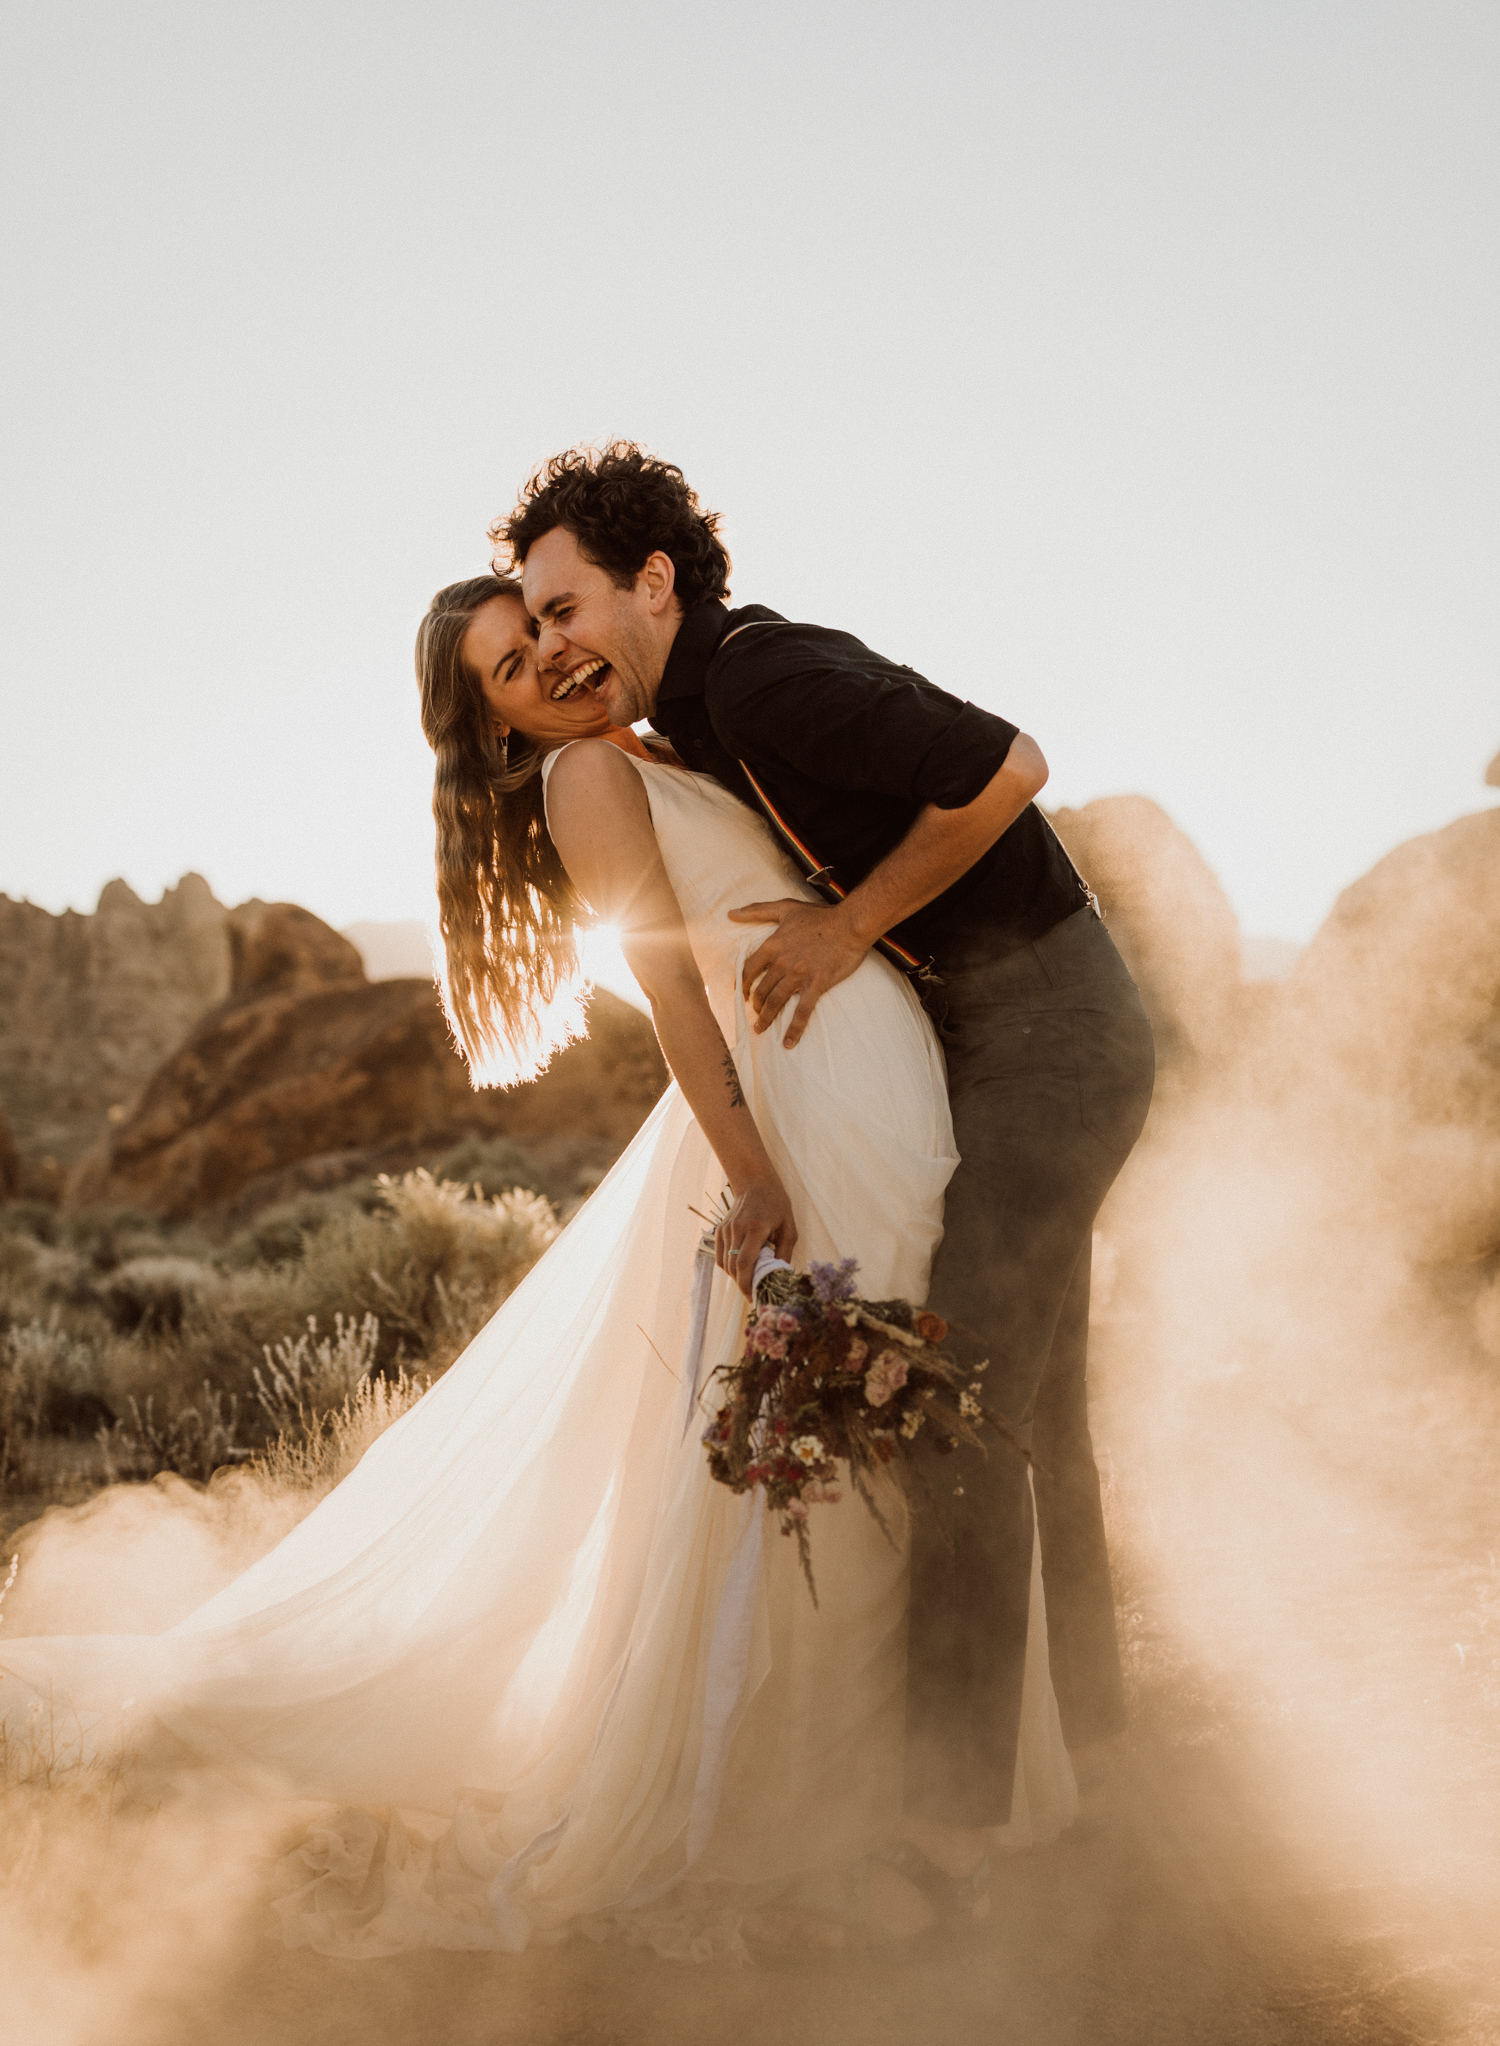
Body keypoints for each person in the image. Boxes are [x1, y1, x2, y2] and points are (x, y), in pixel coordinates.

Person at [0, 569, 1077, 1960]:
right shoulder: (583, 779)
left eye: (545, 632)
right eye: (515, 667)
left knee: (886, 1419)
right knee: (852, 1427)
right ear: (493, 721)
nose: (552, 667)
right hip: (812, 1105)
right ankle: (819, 1799)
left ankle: (887, 1786)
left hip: (861, 1076)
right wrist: (753, 1168)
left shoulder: (642, 742)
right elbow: (674, 988)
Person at [497, 444, 1155, 1890]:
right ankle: (1094, 1759)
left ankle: (952, 1823)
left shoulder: (757, 674)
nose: (552, 641)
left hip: (1057, 1037)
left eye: (564, 606)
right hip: (1001, 1046)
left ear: (654, 581)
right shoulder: (701, 710)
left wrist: (851, 928)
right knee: (1032, 1403)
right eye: (532, 626)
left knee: (959, 1400)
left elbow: (1011, 767)